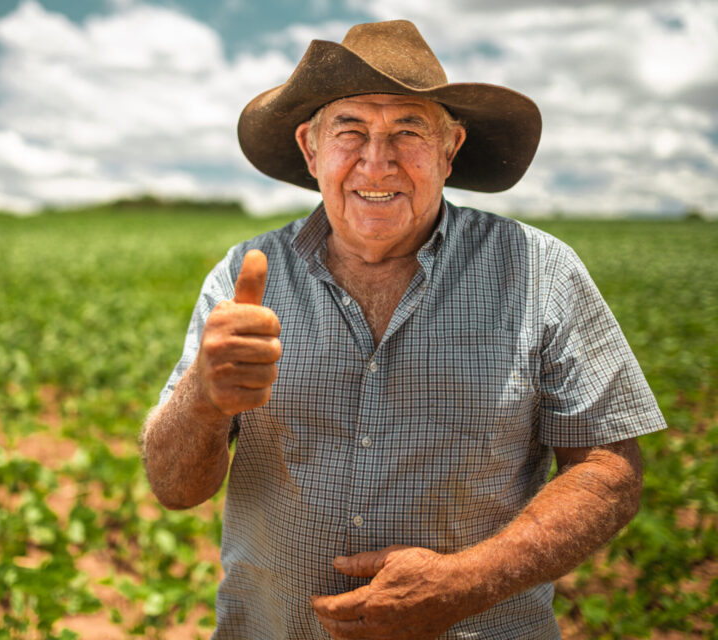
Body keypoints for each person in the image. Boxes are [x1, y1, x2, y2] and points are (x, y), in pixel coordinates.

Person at [140, 20, 666, 640]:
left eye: (408, 130)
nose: (377, 160)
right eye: (351, 130)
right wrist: (202, 396)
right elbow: (174, 488)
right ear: (311, 149)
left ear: (451, 149)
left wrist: (469, 581)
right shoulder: (243, 276)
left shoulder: (539, 270)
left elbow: (609, 470)